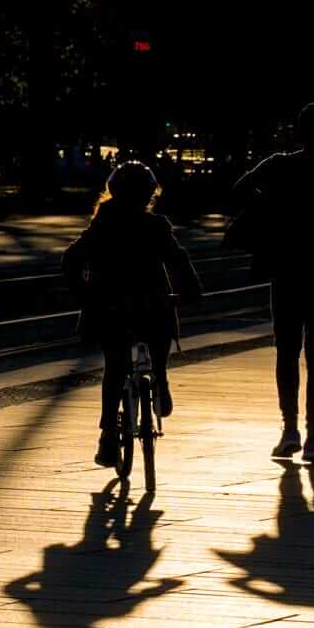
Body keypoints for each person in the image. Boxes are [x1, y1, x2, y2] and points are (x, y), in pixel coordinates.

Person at [227, 102, 314, 464]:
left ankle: (289, 431)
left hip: (285, 271)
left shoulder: (277, 166)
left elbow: (237, 192)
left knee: (286, 352)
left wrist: (273, 208)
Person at [62, 161, 203, 467]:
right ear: (150, 194)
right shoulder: (156, 226)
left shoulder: (102, 225)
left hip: (110, 308)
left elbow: (72, 258)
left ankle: (109, 435)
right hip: (152, 305)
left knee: (114, 368)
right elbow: (178, 259)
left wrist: (82, 293)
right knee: (160, 332)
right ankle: (161, 379)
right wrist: (192, 289)